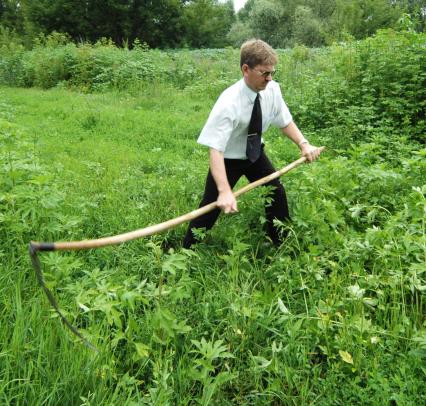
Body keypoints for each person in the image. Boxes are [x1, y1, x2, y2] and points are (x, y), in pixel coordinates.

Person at [183, 39, 321, 249]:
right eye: (264, 73)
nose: (269, 78)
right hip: (228, 159)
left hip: (255, 154)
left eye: (272, 72)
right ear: (245, 69)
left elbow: (284, 120)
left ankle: (280, 242)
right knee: (210, 207)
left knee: (276, 193)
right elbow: (216, 149)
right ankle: (186, 250)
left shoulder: (272, 90)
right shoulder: (229, 102)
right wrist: (224, 191)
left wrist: (304, 144)